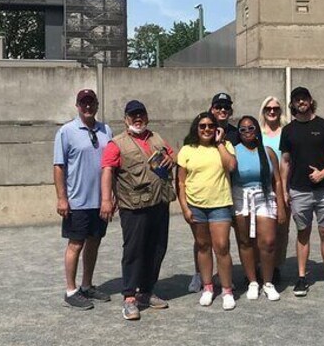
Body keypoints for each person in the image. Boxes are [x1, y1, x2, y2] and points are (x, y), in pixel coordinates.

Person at [100, 100, 176, 321]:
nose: (137, 119)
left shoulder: (157, 138)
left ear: (147, 117)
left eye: (141, 114)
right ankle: (130, 297)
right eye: (133, 116)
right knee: (134, 250)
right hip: (133, 206)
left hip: (159, 202)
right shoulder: (117, 144)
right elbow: (107, 171)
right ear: (125, 119)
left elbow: (172, 156)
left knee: (157, 248)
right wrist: (106, 199)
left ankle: (146, 291)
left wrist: (170, 160)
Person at [280, 87, 324, 297]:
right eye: (297, 99)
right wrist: (284, 189)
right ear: (292, 103)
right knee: (303, 232)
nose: (301, 102)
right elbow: (286, 162)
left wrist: (323, 174)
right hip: (299, 190)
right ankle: (301, 277)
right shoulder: (288, 130)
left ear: (310, 100)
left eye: (304, 98)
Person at [54, 89, 114, 310]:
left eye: (91, 103)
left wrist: (111, 195)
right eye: (83, 103)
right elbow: (59, 167)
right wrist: (62, 198)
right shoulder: (66, 132)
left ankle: (87, 285)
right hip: (77, 200)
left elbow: (111, 165)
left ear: (97, 105)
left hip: (100, 201)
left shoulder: (106, 130)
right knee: (76, 244)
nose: (88, 107)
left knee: (94, 243)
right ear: (78, 106)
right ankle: (71, 290)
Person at [177, 112, 239, 311]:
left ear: (217, 129)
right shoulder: (187, 150)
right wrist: (185, 208)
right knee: (203, 246)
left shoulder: (225, 146)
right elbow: (181, 182)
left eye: (211, 126)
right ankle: (208, 287)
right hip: (196, 206)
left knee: (221, 246)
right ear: (197, 128)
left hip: (220, 204)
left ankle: (227, 290)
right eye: (202, 126)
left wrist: (220, 143)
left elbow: (231, 166)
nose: (206, 129)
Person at [231, 115, 287, 301]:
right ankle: (252, 281)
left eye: (251, 128)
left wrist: (281, 206)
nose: (247, 132)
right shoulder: (234, 151)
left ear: (257, 130)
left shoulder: (268, 151)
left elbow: (277, 181)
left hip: (264, 195)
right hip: (241, 197)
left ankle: (268, 282)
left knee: (269, 241)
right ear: (239, 133)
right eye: (243, 129)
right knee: (245, 241)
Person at [260, 96, 290, 284]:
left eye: (276, 108)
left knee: (281, 228)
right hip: (261, 185)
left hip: (283, 184)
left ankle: (276, 265)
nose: (272, 111)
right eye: (268, 108)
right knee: (259, 229)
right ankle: (258, 264)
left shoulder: (286, 132)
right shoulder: (257, 133)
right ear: (263, 111)